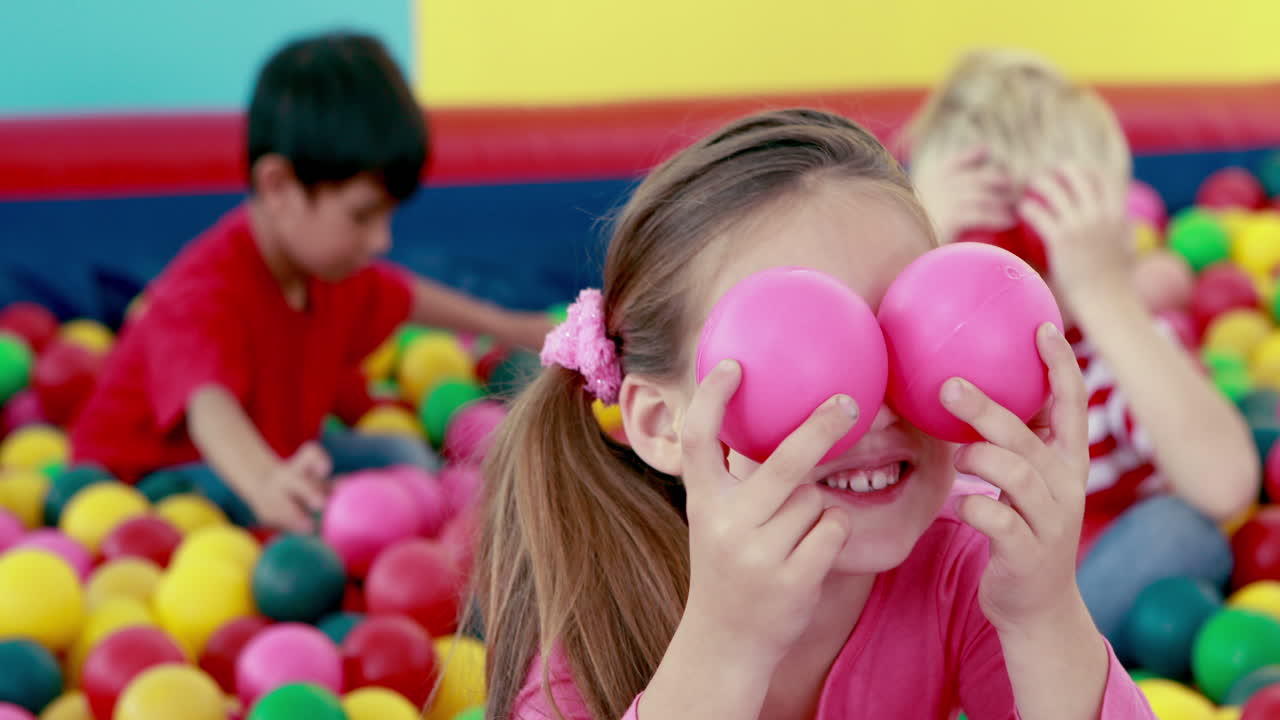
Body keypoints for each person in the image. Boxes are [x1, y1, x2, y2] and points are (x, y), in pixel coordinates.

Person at [475, 109, 1153, 719]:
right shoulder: (603, 623)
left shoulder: (969, 566)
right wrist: (727, 646)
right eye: (803, 356)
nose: (880, 408)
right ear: (662, 424)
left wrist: (1043, 614)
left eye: (912, 338)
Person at [70, 32, 551, 532]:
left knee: (403, 454)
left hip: (277, 458)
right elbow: (207, 405)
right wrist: (265, 484)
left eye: (387, 217)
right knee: (283, 511)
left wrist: (511, 325)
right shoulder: (204, 291)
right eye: (362, 216)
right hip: (140, 489)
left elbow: (405, 296)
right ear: (278, 186)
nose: (380, 240)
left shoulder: (327, 269)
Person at [904, 49, 1259, 658]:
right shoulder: (909, 359)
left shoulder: (1109, 354)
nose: (1015, 281)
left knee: (1184, 533)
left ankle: (1010, 682)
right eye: (983, 244)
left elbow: (1226, 487)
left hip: (1074, 607)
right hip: (946, 608)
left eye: (1045, 241)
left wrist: (1103, 293)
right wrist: (916, 251)